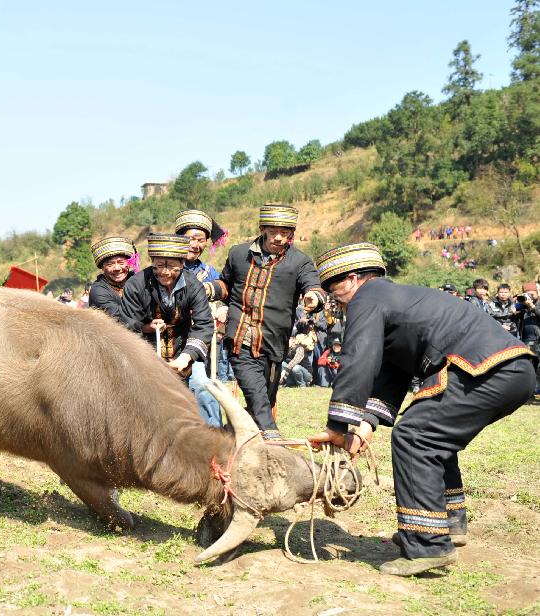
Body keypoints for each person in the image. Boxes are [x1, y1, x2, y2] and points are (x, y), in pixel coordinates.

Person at [308, 243, 535, 576]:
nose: (334, 300)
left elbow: (357, 360)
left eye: (333, 290)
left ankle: (428, 545)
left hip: (484, 369)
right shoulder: (394, 301)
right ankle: (448, 523)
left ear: (353, 279)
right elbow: (391, 374)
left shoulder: (367, 299)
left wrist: (337, 428)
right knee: (431, 432)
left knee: (414, 436)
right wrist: (364, 426)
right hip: (511, 370)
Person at [214, 204, 325, 440]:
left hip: (274, 343)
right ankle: (272, 436)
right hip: (240, 337)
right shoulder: (238, 254)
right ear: (262, 228)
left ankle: (228, 437)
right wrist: (208, 289)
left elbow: (313, 286)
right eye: (273, 231)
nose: (279, 238)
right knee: (256, 394)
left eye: (285, 233)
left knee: (263, 400)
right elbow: (225, 285)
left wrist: (313, 297)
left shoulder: (300, 261)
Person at [121, 234, 214, 384]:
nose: (164, 272)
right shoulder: (135, 285)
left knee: (191, 393)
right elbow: (127, 325)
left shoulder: (193, 285)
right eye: (158, 265)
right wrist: (145, 328)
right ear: (151, 262)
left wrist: (187, 356)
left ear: (182, 263)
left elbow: (204, 324)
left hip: (182, 352)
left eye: (171, 266)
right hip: (145, 357)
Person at [175, 210, 230, 427]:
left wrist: (222, 308)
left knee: (202, 385)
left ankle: (214, 434)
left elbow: (224, 295)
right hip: (168, 340)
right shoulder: (166, 267)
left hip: (198, 340)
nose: (195, 245)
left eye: (201, 240)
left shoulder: (210, 272)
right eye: (190, 239)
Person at [88, 236, 136, 324]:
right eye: (110, 264)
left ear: (129, 264)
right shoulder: (98, 290)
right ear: (102, 267)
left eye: (121, 262)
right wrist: (145, 327)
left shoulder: (137, 280)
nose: (117, 268)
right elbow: (119, 318)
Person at [515, 282, 540, 394]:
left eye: (532, 293)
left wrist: (533, 307)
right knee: (529, 367)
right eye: (527, 294)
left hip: (539, 340)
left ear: (537, 293)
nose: (530, 296)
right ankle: (530, 391)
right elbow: (514, 311)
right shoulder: (522, 305)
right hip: (526, 340)